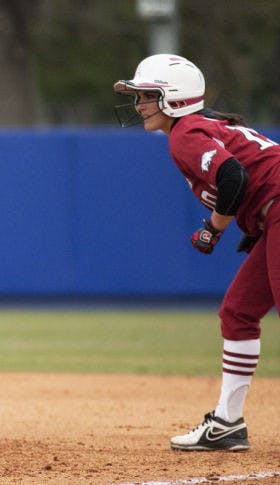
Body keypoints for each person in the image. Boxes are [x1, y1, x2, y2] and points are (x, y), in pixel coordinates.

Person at [114, 54, 280, 452]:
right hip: (272, 215)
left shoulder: (185, 133)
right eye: (138, 97)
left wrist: (214, 228)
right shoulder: (202, 126)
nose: (139, 105)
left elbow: (234, 176)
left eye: (147, 96)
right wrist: (254, 224)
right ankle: (227, 423)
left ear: (173, 98)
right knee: (237, 312)